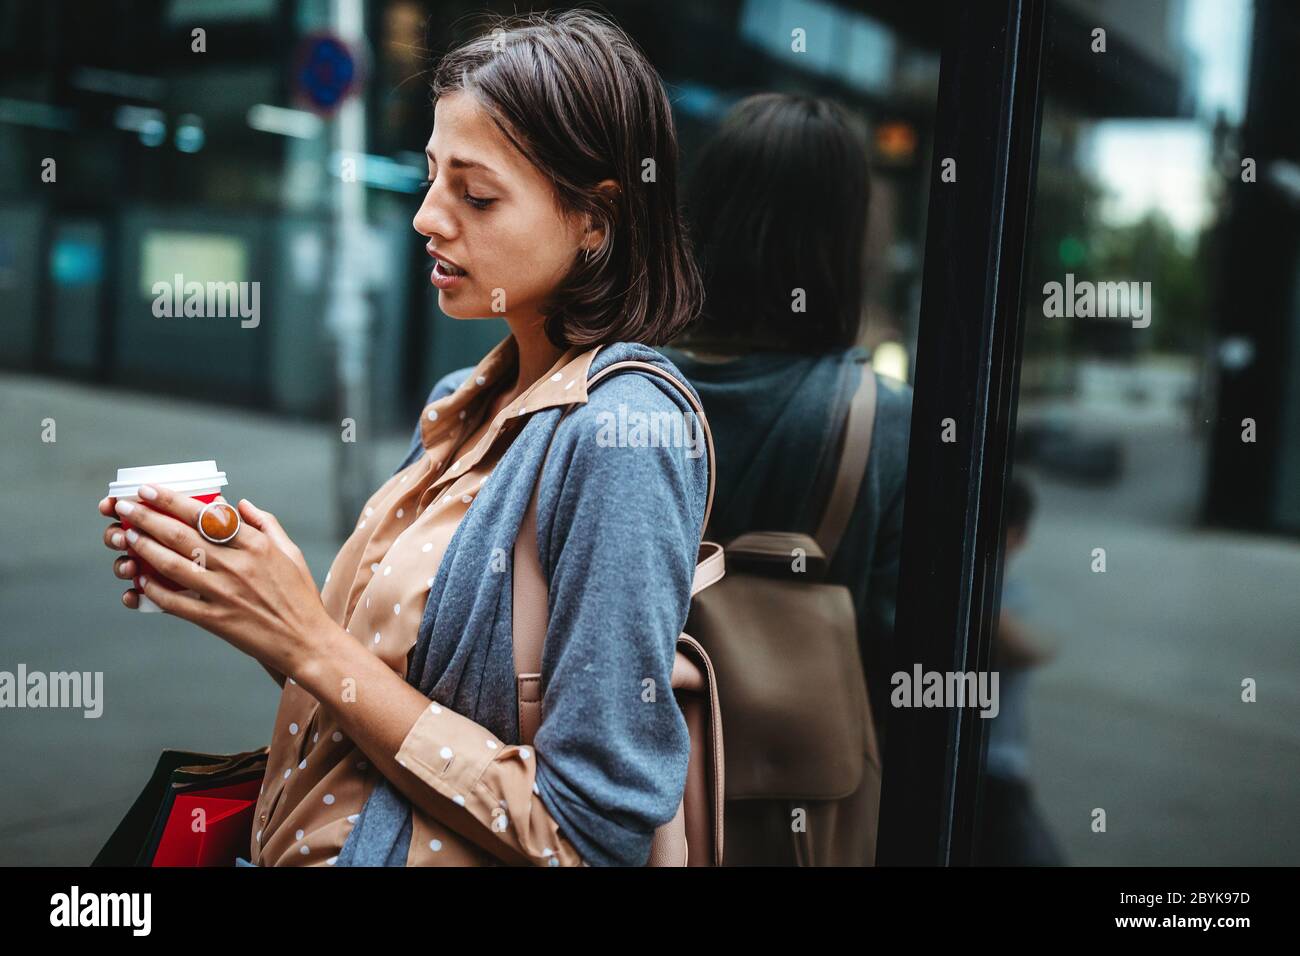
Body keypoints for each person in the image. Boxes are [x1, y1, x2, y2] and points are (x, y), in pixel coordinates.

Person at [97, 9, 708, 867]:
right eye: (430, 178)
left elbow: (589, 834)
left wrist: (307, 636)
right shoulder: (463, 401)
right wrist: (254, 608)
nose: (427, 217)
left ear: (594, 220)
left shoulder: (624, 436)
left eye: (476, 193)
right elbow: (377, 694)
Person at [662, 92, 912, 741]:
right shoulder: (882, 425)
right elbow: (899, 652)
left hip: (631, 796)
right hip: (798, 811)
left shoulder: (619, 389)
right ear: (845, 245)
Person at [974, 476, 1066, 866]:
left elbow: (1035, 648)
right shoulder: (995, 592)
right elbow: (1032, 648)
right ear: (1018, 536)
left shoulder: (1011, 595)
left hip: (996, 772)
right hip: (990, 772)